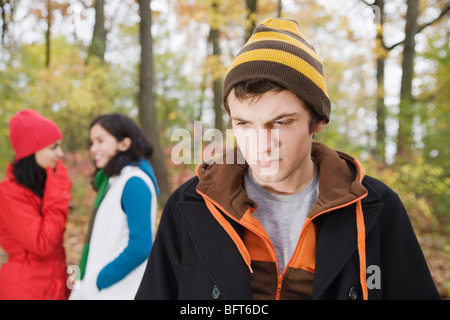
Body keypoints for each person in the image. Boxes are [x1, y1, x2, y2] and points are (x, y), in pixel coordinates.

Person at [135, 18, 440, 300]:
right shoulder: (191, 206)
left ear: (317, 119)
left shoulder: (376, 207)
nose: (260, 146)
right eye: (244, 124)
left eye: (280, 123)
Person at [69, 113, 159, 300]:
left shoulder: (134, 182)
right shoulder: (114, 182)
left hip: (117, 293)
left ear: (124, 144)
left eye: (100, 141)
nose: (93, 149)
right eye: (92, 142)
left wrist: (97, 281)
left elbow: (140, 247)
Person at [0, 109, 71, 300]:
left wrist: (71, 285)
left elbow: (57, 249)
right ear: (32, 150)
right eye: (53, 147)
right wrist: (59, 193)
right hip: (25, 289)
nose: (60, 153)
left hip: (54, 285)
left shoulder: (44, 185)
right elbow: (42, 244)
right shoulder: (9, 192)